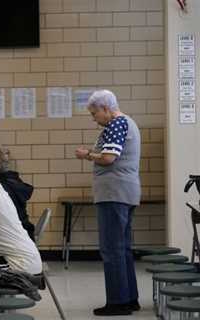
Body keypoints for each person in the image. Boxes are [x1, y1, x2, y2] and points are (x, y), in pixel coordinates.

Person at [75, 89, 141, 316]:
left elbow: (108, 158)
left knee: (112, 249)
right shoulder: (127, 122)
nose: (94, 119)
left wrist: (86, 155)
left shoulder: (116, 124)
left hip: (114, 193)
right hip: (125, 192)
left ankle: (117, 302)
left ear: (106, 108)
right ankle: (130, 298)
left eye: (95, 114)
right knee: (122, 249)